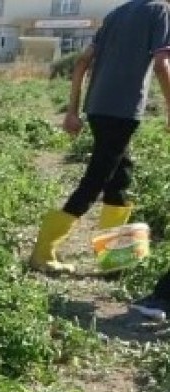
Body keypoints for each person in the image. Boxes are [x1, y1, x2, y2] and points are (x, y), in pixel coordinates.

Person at [29, 0, 170, 276]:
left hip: (97, 107)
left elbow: (82, 61)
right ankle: (43, 251)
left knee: (120, 176)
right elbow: (162, 64)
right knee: (97, 178)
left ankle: (115, 260)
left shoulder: (116, 14)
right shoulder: (160, 11)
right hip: (122, 110)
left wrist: (72, 111)